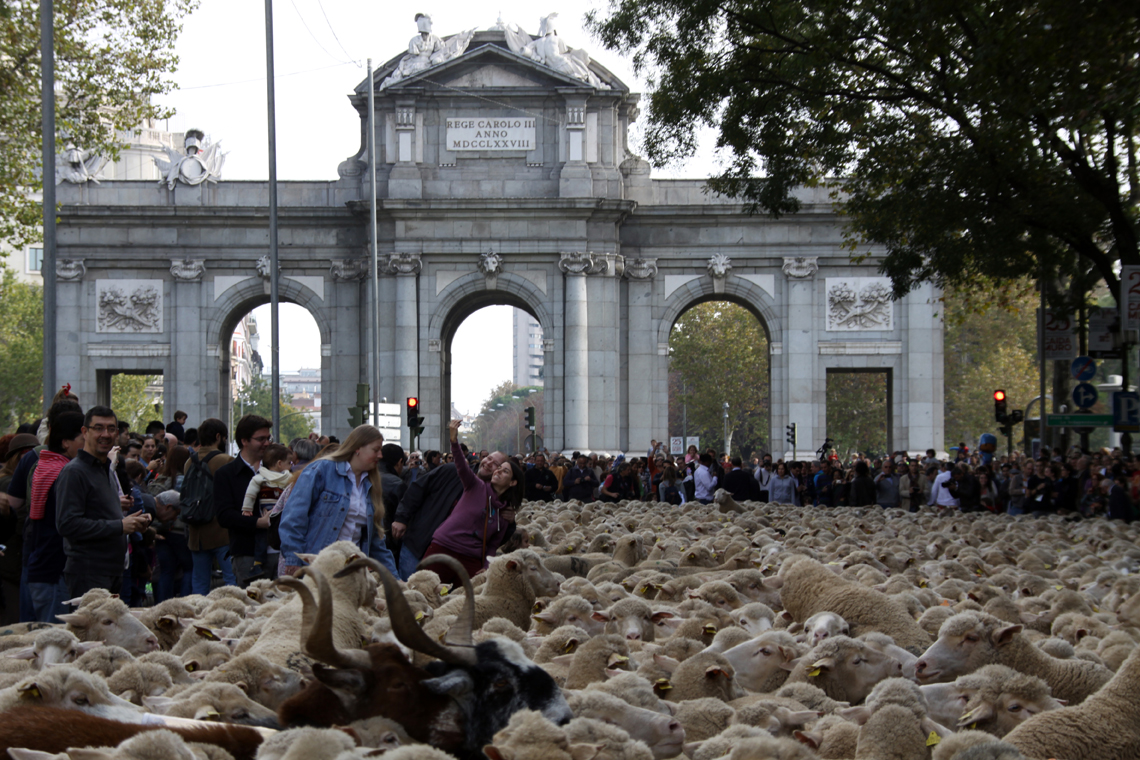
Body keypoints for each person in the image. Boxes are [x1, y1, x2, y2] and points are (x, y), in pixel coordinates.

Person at [278, 424, 398, 577]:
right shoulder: (321, 470)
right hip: (316, 569)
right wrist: (293, 560)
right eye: (376, 450)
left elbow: (377, 543)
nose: (380, 455)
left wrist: (395, 580)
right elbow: (293, 518)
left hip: (351, 574)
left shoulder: (371, 485)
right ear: (357, 448)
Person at [55, 406, 150, 598]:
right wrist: (119, 526)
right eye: (98, 428)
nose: (105, 434)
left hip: (112, 571)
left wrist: (131, 522)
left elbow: (101, 515)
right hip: (89, 572)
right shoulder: (74, 472)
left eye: (111, 429)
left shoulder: (104, 468)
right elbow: (67, 524)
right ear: (85, 432)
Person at [414, 420, 522, 585]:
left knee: (468, 601)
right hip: (444, 548)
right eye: (498, 468)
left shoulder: (505, 513)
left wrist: (487, 565)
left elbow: (493, 544)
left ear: (513, 482)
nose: (498, 470)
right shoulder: (475, 485)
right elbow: (460, 464)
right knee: (422, 591)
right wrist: (453, 440)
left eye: (503, 469)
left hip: (471, 558)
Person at [390, 444, 510, 580]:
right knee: (411, 594)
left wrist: (510, 522)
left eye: (496, 464)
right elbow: (418, 489)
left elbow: (494, 538)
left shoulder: (497, 502)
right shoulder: (451, 471)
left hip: (456, 557)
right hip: (418, 543)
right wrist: (401, 518)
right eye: (488, 458)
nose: (488, 463)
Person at [25, 410, 85, 621]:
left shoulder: (46, 464)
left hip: (42, 566)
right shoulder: (64, 473)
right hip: (54, 569)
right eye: (83, 439)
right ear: (65, 442)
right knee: (55, 640)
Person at [215, 414, 273, 587]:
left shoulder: (276, 469)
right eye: (261, 439)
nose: (267, 443)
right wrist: (258, 522)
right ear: (244, 441)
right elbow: (224, 516)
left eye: (268, 438)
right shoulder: (226, 474)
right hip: (247, 552)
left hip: (278, 551)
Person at [185, 418, 237, 594]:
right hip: (221, 532)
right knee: (232, 580)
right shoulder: (226, 460)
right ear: (218, 437)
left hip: (196, 532)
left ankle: (199, 618)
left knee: (199, 583)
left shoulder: (189, 462)